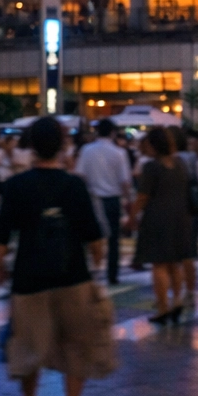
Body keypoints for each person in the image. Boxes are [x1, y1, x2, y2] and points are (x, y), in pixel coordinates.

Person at [0, 116, 113, 396]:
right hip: (73, 275)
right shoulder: (74, 186)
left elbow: (3, 235)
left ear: (31, 146)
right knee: (77, 343)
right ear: (63, 146)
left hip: (29, 277)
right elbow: (94, 236)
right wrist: (97, 265)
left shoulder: (17, 185)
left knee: (30, 343)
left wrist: (0, 265)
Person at [131, 126, 198, 321]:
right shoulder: (180, 164)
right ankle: (177, 300)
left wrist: (132, 217)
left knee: (159, 264)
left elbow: (143, 196)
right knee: (175, 263)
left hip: (157, 219)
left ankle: (162, 308)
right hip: (180, 218)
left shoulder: (151, 167)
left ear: (153, 145)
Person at [74, 118, 133, 285]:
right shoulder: (119, 153)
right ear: (113, 133)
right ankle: (112, 274)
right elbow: (125, 181)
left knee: (88, 237)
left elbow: (80, 175)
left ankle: (88, 271)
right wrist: (128, 200)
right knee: (114, 239)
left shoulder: (86, 150)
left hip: (91, 199)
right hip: (112, 199)